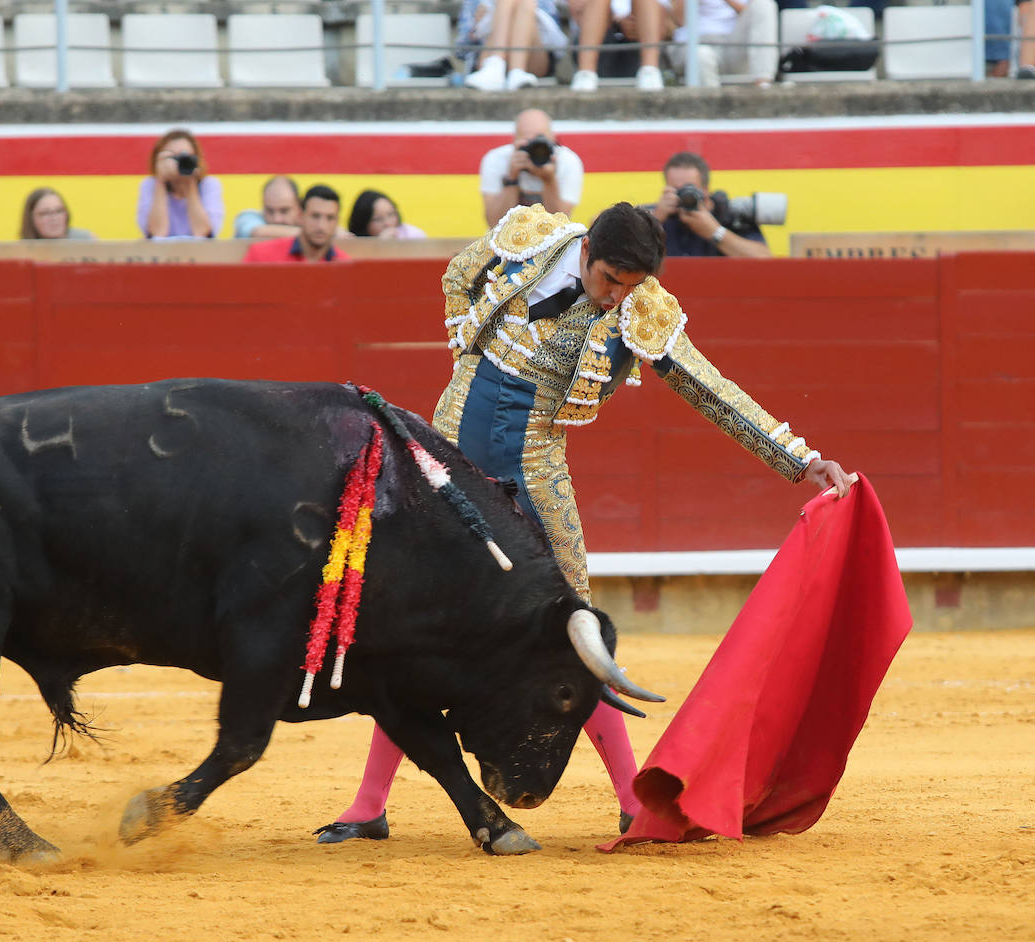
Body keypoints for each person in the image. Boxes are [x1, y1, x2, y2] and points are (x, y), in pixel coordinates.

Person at [313, 201, 853, 844]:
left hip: (532, 472)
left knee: (575, 632)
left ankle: (631, 799)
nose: (615, 297)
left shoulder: (639, 308)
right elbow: (459, 273)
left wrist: (796, 458)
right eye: (609, 281)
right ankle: (368, 805)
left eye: (630, 287)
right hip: (448, 462)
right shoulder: (533, 239)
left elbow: (708, 386)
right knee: (420, 629)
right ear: (588, 250)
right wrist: (466, 342)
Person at [651, 152, 771, 258]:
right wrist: (654, 222)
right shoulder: (656, 216)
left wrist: (715, 232)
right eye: (676, 190)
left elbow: (764, 259)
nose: (684, 195)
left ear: (705, 190)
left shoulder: (731, 215)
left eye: (689, 188)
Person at [479, 109, 584, 228]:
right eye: (528, 141)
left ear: (553, 140)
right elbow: (494, 224)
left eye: (541, 140)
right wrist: (512, 179)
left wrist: (548, 179)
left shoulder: (568, 161)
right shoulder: (496, 159)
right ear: (514, 141)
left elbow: (559, 225)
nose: (536, 148)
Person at [457, 0, 570, 91]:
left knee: (525, 3)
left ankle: (502, 64)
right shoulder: (473, 2)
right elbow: (461, 50)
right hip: (485, 56)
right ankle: (502, 66)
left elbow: (554, 40)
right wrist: (475, 27)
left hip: (533, 57)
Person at [666, 0, 779, 87]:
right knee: (700, 54)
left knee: (764, 4)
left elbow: (756, 14)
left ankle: (763, 86)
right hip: (693, 44)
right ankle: (712, 112)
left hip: (732, 45)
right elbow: (680, 20)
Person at [137, 128, 224, 240]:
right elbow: (157, 233)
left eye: (185, 157)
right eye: (173, 157)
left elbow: (202, 233)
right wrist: (160, 181)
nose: (179, 162)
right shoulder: (150, 185)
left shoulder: (208, 185)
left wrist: (190, 184)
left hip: (200, 255)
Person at [571, 0, 669, 91]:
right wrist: (615, 22)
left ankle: (650, 71)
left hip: (638, 45)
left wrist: (638, 24)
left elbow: (663, 30)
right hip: (600, 42)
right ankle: (585, 74)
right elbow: (578, 13)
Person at [242, 185, 351, 263]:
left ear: (337, 222)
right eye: (315, 216)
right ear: (300, 216)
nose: (321, 226)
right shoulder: (261, 256)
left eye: (330, 218)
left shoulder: (345, 265)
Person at [232, 176, 303, 240]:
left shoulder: (308, 219)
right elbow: (258, 232)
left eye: (284, 211)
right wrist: (308, 233)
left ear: (299, 208)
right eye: (270, 211)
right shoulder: (247, 217)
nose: (277, 219)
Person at [346, 190, 428, 240]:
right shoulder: (353, 242)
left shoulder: (413, 235)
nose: (387, 223)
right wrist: (380, 246)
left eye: (391, 214)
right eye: (378, 219)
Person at [19, 187, 94, 240]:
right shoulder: (21, 251)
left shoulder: (86, 240)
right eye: (45, 213)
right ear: (31, 219)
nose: (54, 218)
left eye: (59, 211)